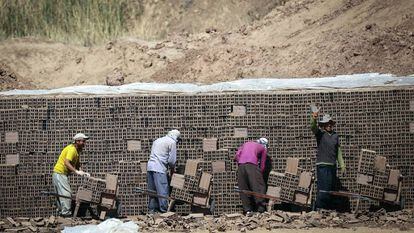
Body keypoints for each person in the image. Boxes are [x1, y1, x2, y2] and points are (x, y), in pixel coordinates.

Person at [311, 111, 345, 210]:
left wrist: (342, 165)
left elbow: (338, 151)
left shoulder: (335, 136)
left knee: (330, 188)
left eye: (330, 123)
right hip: (322, 165)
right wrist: (313, 118)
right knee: (323, 189)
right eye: (327, 124)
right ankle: (319, 208)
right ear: (324, 125)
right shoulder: (320, 134)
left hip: (332, 166)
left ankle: (327, 209)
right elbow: (313, 127)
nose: (329, 125)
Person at [52, 133, 91, 217]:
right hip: (60, 173)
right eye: (83, 141)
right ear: (77, 141)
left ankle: (62, 214)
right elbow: (66, 162)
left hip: (60, 174)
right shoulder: (72, 150)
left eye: (85, 141)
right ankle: (66, 215)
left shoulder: (77, 151)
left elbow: (77, 163)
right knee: (66, 193)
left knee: (61, 194)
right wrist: (76, 172)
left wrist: (82, 172)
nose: (84, 143)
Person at [147, 129, 181, 213]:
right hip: (159, 168)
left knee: (152, 191)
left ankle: (152, 210)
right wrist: (172, 170)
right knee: (162, 190)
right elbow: (172, 160)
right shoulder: (172, 142)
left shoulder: (157, 140)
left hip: (150, 167)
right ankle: (164, 211)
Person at [234, 138, 268, 216]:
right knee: (258, 186)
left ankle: (247, 210)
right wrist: (259, 174)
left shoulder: (245, 144)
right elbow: (262, 164)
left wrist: (242, 162)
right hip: (252, 165)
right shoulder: (263, 148)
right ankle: (261, 210)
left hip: (241, 166)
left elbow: (236, 156)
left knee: (244, 188)